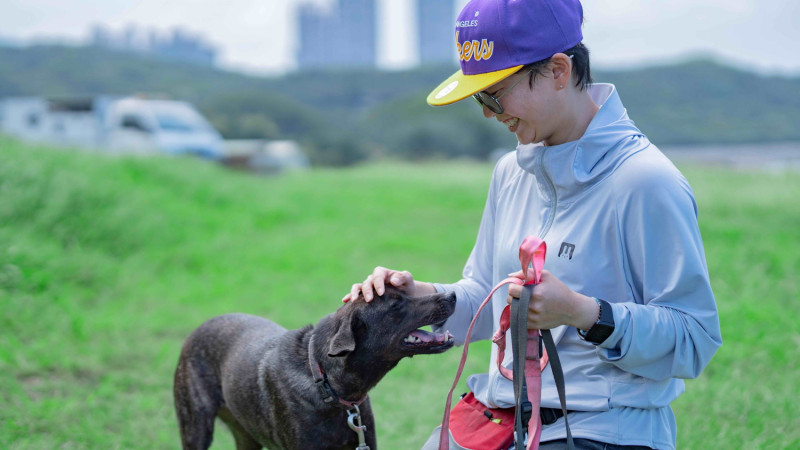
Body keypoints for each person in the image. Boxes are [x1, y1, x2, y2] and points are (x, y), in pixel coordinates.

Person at [343, 0, 722, 448]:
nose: (487, 112)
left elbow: (694, 339)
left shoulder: (645, 181)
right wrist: (417, 297)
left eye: (494, 92)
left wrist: (586, 314)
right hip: (500, 420)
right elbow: (485, 299)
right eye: (478, 97)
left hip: (604, 427)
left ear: (559, 70)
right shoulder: (511, 171)